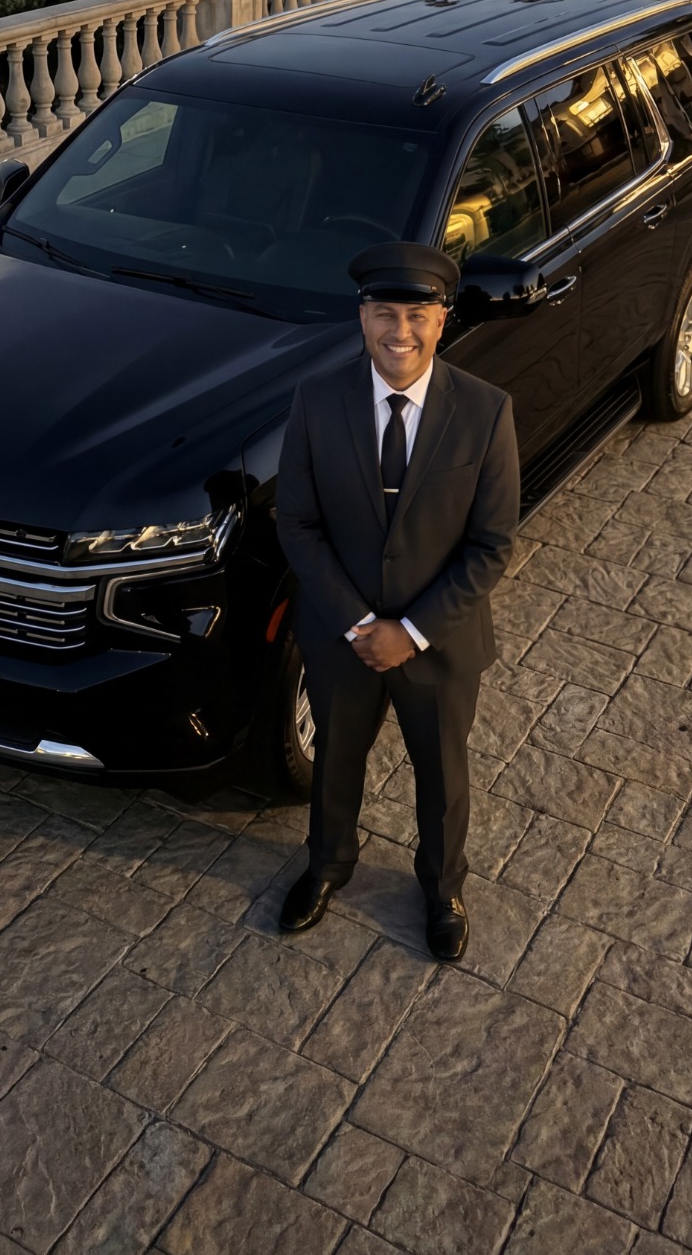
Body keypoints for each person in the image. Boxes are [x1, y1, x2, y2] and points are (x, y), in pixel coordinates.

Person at [275, 241, 520, 960]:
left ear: (442, 320)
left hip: (439, 641)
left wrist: (409, 632)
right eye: (384, 312)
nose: (399, 331)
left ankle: (442, 888)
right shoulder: (316, 401)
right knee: (335, 757)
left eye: (417, 315)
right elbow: (297, 523)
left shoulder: (485, 412)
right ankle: (327, 865)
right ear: (362, 317)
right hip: (341, 636)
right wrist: (360, 625)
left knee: (442, 771)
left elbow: (491, 544)